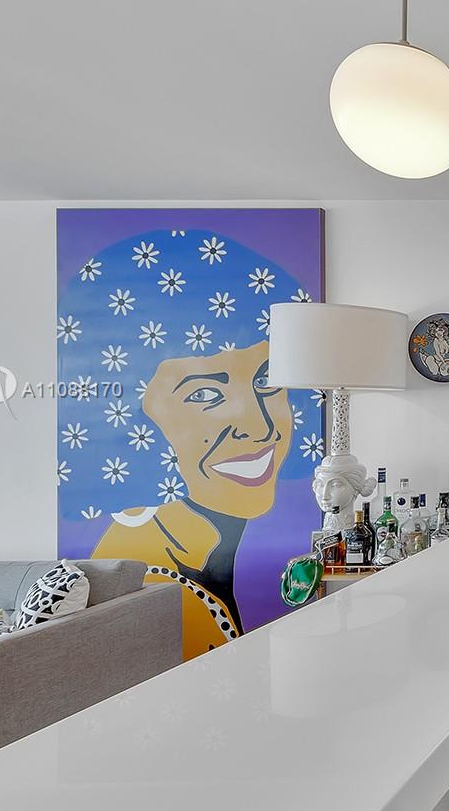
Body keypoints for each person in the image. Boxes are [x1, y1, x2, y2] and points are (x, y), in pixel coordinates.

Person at [57, 225, 323, 657]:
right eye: (204, 395)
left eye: (266, 381)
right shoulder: (149, 572)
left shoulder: (223, 540)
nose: (258, 428)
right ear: (143, 418)